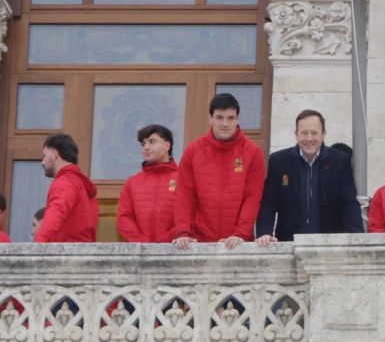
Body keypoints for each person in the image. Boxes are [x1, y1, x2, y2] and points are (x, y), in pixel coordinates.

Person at [172, 93, 266, 247]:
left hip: (238, 243)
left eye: (230, 118)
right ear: (210, 118)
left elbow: (253, 197)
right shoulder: (193, 151)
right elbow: (184, 194)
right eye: (219, 117)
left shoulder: (252, 151)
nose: (225, 124)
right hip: (199, 243)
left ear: (237, 120)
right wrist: (183, 231)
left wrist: (241, 233)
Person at [258, 109, 363, 243]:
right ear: (296, 134)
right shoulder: (279, 161)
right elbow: (269, 203)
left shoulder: (340, 161)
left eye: (314, 133)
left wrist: (357, 237)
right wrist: (264, 233)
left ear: (323, 134)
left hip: (330, 243)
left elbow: (348, 203)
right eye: (304, 133)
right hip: (289, 243)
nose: (309, 138)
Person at [116, 123, 179, 244]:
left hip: (174, 249)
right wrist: (143, 244)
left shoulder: (183, 179)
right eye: (143, 143)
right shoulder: (132, 182)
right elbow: (124, 219)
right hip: (139, 251)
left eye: (152, 142)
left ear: (167, 145)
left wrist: (163, 242)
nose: (146, 147)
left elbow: (189, 217)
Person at [34, 133, 99, 243]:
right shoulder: (80, 185)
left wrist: (38, 245)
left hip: (66, 251)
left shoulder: (65, 182)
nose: (42, 162)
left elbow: (56, 212)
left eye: (45, 155)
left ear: (54, 154)